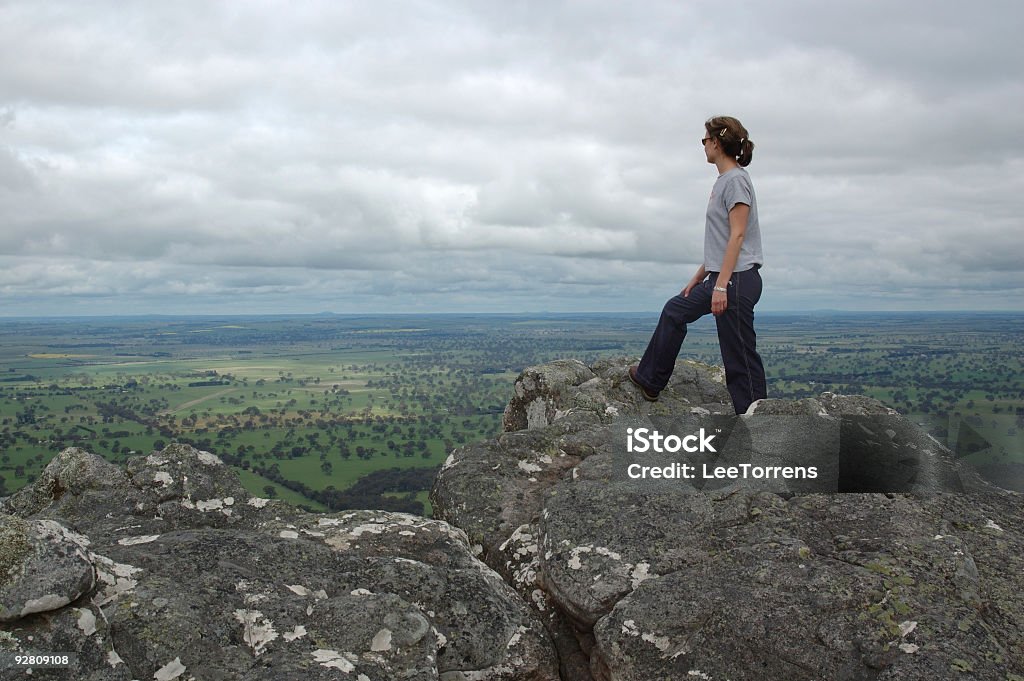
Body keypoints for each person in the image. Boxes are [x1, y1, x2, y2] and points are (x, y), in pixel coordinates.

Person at [629, 115, 767, 415]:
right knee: (675, 310)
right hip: (724, 276)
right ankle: (650, 380)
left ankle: (758, 424)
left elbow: (738, 235)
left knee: (739, 357)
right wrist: (700, 277)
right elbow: (721, 240)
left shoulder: (737, 180)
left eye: (705, 140)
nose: (703, 145)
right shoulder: (725, 181)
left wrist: (720, 285)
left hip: (736, 280)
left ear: (717, 142)